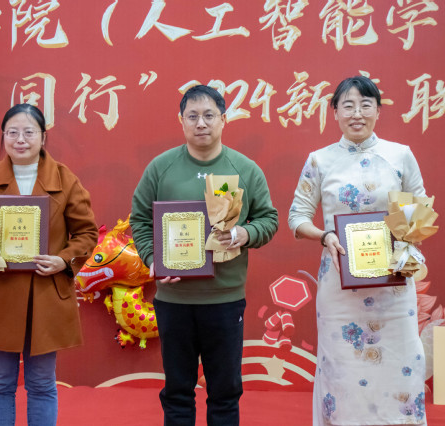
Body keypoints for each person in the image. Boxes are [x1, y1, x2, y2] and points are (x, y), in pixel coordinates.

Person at [130, 85, 279, 426]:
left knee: (225, 392)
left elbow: (269, 219)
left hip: (224, 300)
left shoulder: (245, 169)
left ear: (224, 120)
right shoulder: (160, 167)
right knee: (177, 391)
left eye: (209, 115)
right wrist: (153, 260)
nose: (201, 123)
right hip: (174, 300)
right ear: (181, 120)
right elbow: (140, 219)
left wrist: (243, 234)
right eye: (193, 116)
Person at [288, 76, 428, 425]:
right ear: (334, 112)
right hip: (340, 289)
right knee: (343, 369)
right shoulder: (320, 160)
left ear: (378, 110)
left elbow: (419, 209)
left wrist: (407, 236)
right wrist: (324, 236)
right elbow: (297, 217)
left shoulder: (400, 155)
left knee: (399, 365)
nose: (357, 113)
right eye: (347, 105)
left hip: (393, 288)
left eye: (366, 105)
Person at [0, 103, 98, 426]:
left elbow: (86, 233)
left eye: (29, 132)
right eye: (12, 132)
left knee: (42, 385)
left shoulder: (64, 179)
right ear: (3, 136)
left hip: (45, 296)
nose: (20, 139)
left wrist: (62, 260)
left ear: (43, 137)